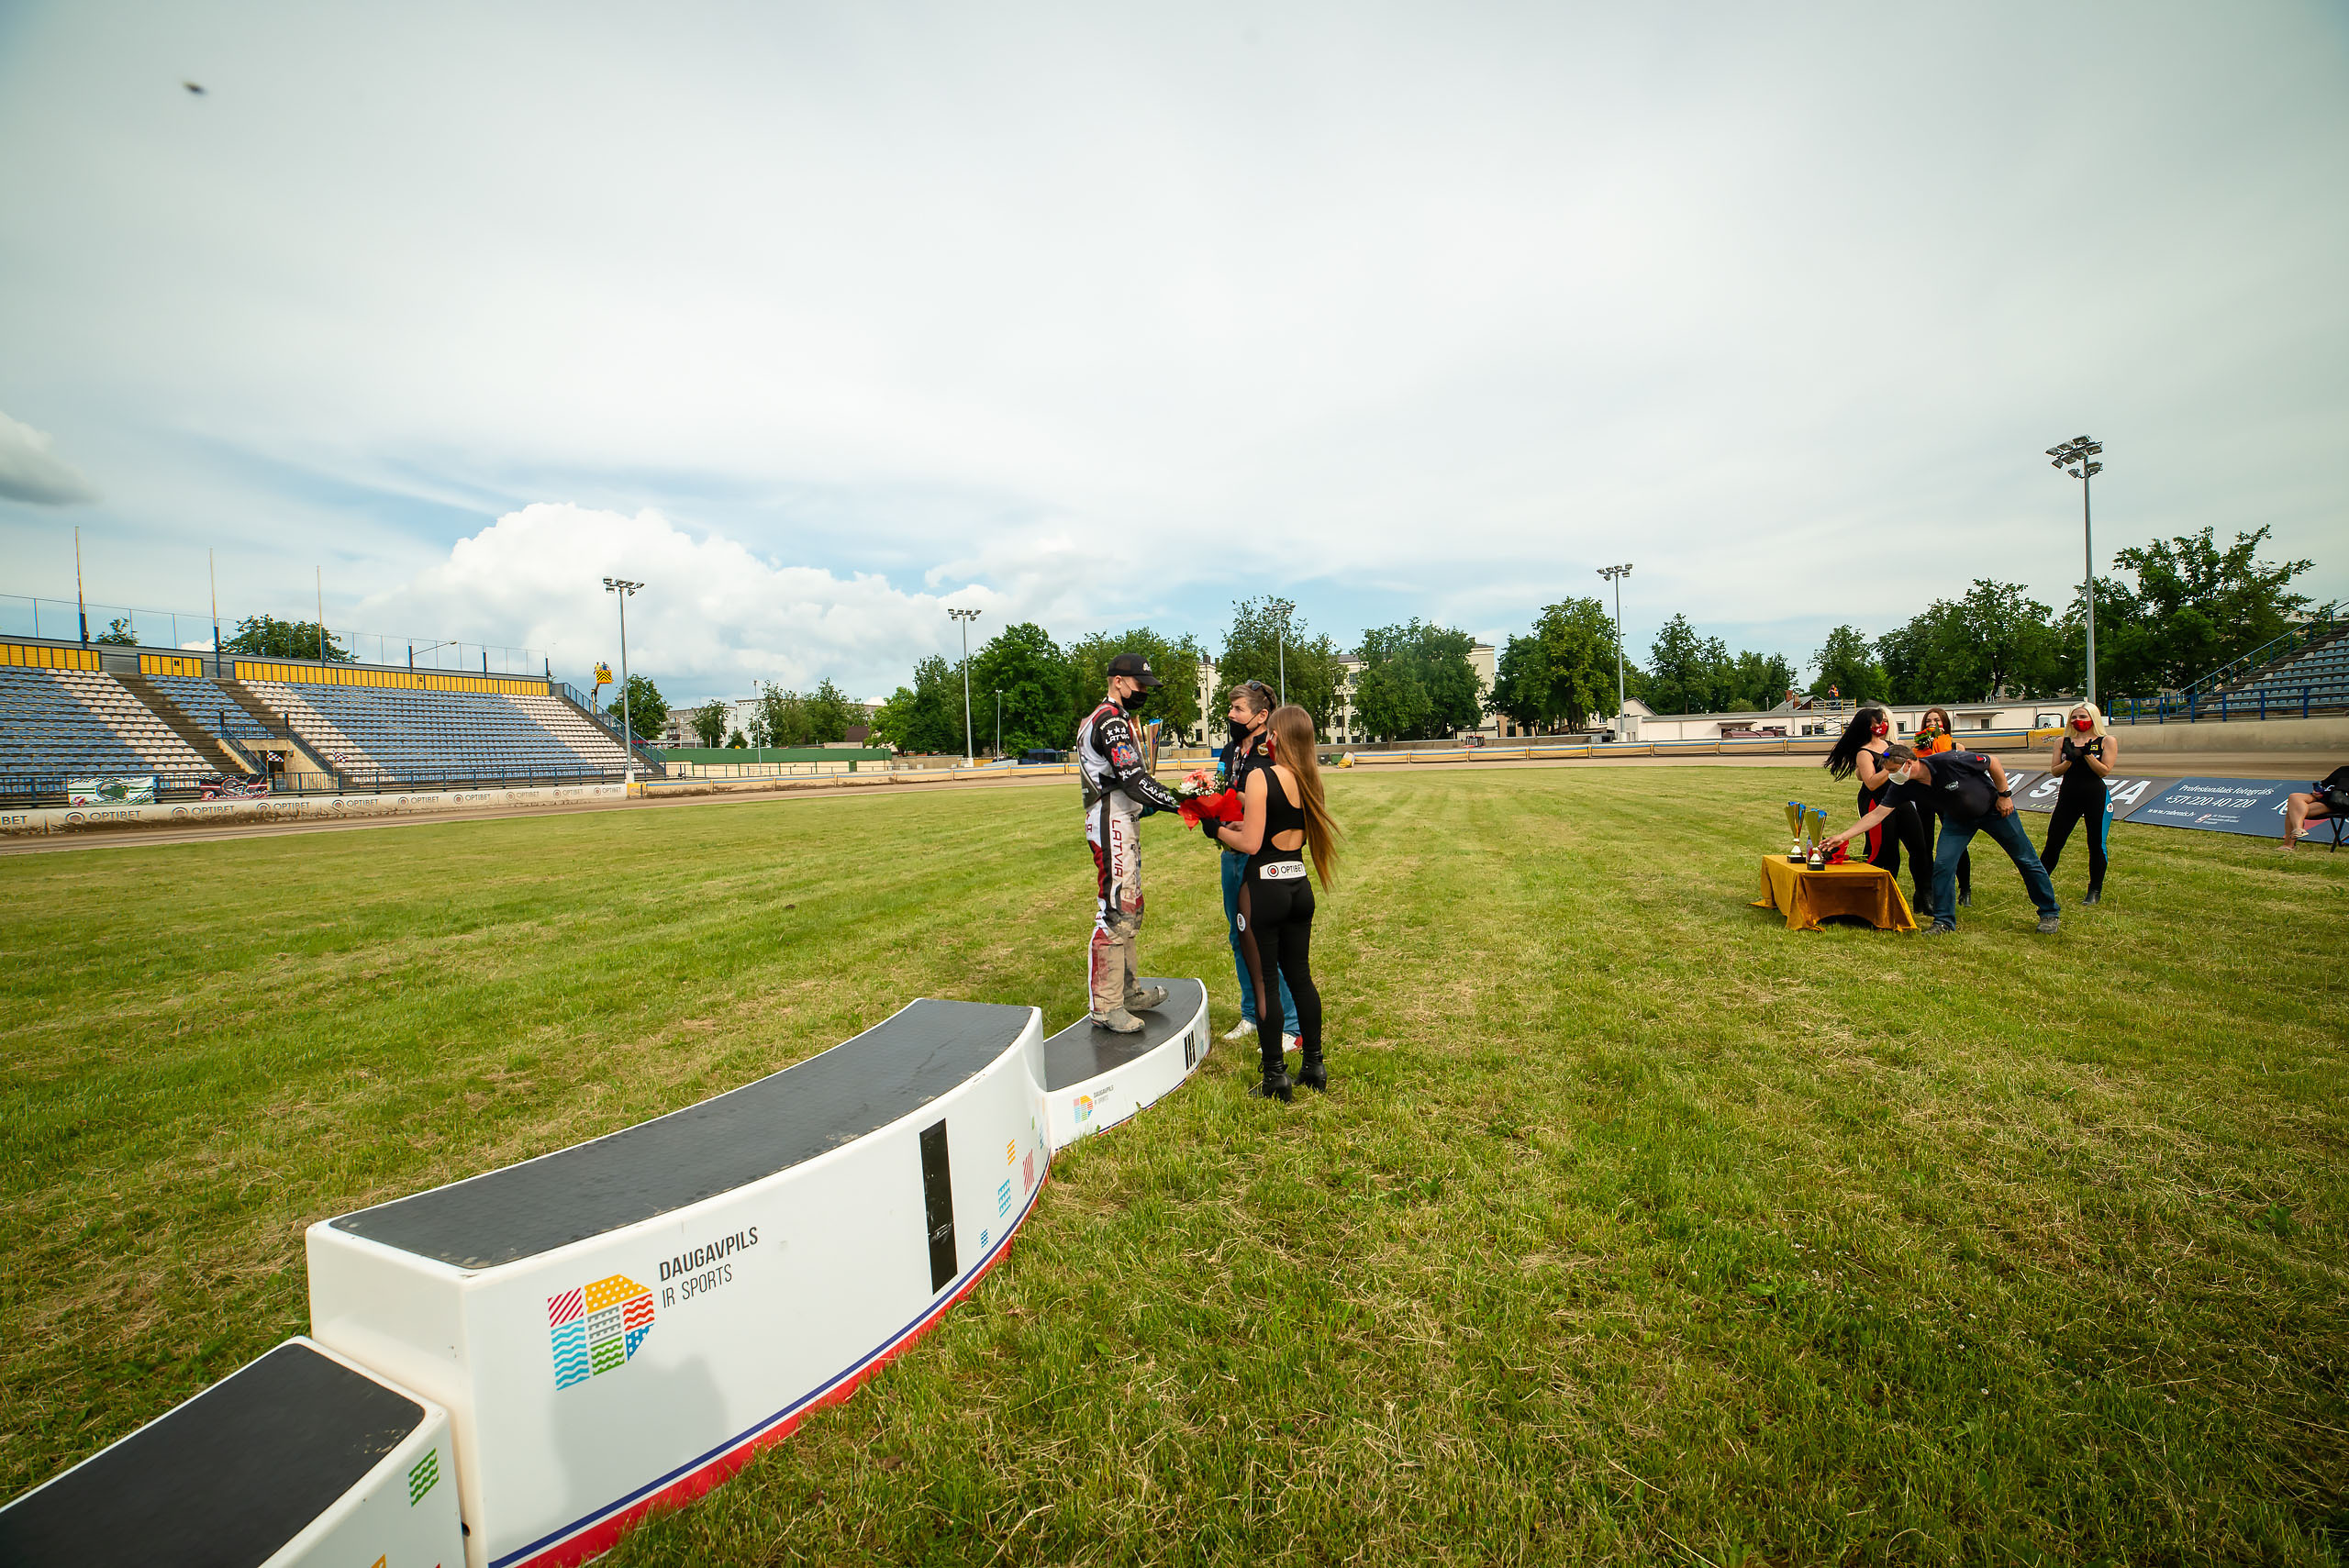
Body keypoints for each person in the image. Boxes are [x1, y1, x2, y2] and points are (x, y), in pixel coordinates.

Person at [1204, 704, 1339, 1101]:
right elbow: (1274, 826)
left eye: (1272, 735)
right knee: (1300, 977)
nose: (1268, 740)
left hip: (1263, 890)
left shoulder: (1264, 777)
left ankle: (1275, 1076)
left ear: (1277, 737)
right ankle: (1314, 1064)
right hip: (1299, 887)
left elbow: (1250, 843)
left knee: (1266, 985)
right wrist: (1234, 822)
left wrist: (1215, 827)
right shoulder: (1310, 779)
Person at [1821, 743, 2060, 934]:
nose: (1892, 777)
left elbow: (1993, 762)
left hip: (1996, 812)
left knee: (2026, 860)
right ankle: (1944, 922)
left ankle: (2049, 913)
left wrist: (2005, 795)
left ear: (1911, 762)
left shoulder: (1949, 761)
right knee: (1944, 865)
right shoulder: (1902, 786)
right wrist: (1843, 836)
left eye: (1894, 771)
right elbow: (1877, 814)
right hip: (1957, 821)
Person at [1075, 653, 1186, 1033]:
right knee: (1115, 908)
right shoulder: (1110, 721)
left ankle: (1127, 991)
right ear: (1119, 681)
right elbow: (1132, 778)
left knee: (1131, 906)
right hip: (1110, 817)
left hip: (1122, 815)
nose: (1144, 693)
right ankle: (1105, 1006)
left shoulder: (1114, 719)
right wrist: (1183, 803)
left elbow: (1131, 782)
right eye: (1140, 685)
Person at [1214, 681, 1300, 1051]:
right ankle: (1252, 1014)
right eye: (1230, 708)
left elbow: (1278, 803)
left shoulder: (1274, 752)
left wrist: (1237, 805)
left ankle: (1290, 1024)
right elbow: (1222, 788)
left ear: (1262, 716)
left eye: (1237, 710)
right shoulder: (1232, 748)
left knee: (1267, 943)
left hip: (1260, 857)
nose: (1230, 716)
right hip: (1230, 855)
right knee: (1239, 937)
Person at [1823, 705, 1930, 913]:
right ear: (1868, 725)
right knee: (1885, 851)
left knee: (1920, 847)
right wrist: (1892, 768)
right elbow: (1870, 782)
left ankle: (1925, 896)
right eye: (1878, 722)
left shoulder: (1891, 745)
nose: (1883, 725)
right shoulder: (1864, 752)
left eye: (1884, 721)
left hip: (1900, 799)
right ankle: (1880, 898)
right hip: (1876, 802)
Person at [2040, 702, 2118, 904]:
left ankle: (2094, 890)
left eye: (2083, 717)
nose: (2078, 721)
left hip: (2095, 796)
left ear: (2093, 718)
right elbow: (2055, 771)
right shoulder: (2062, 741)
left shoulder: (2107, 740)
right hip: (2068, 796)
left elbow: (2104, 770)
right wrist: (2069, 760)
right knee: (2054, 842)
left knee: (2095, 844)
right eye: (2074, 717)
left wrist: (2087, 755)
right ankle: (2038, 883)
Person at [1911, 706, 1971, 906]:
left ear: (1944, 723)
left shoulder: (1956, 747)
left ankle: (1965, 889)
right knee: (1924, 843)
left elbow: (1964, 774)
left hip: (1949, 798)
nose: (1932, 724)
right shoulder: (1917, 750)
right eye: (1928, 721)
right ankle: (1927, 891)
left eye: (1936, 720)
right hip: (1925, 797)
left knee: (1957, 843)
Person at [2280, 766, 2349, 851]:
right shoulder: (2343, 769)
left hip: (2337, 803)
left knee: (2292, 811)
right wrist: (2316, 792)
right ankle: (2298, 829)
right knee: (2294, 797)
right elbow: (2324, 785)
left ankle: (2288, 845)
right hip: (2324, 796)